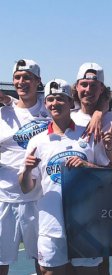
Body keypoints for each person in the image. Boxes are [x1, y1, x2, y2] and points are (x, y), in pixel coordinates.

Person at [19, 79, 112, 275]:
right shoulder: (37, 141)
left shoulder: (88, 134)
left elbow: (108, 175)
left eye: (61, 98)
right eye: (50, 99)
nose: (55, 103)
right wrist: (28, 171)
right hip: (51, 223)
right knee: (49, 272)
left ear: (71, 103)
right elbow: (26, 187)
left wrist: (87, 165)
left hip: (86, 222)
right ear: (45, 104)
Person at [0, 59, 46, 275]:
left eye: (27, 77)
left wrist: (98, 114)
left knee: (44, 262)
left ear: (38, 81)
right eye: (17, 78)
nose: (21, 81)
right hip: (4, 199)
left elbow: (88, 105)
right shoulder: (2, 114)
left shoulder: (53, 107)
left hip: (39, 200)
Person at [70, 62, 112, 170]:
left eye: (93, 85)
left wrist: (109, 149)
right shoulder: (69, 118)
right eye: (84, 84)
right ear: (77, 87)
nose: (88, 89)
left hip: (104, 185)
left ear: (101, 89)